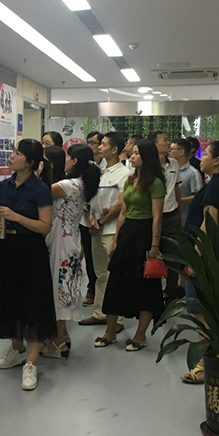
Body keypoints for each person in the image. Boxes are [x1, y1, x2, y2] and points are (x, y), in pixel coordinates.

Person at [0, 139, 56, 391]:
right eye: (13, 152)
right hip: (8, 249)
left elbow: (45, 226)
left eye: (17, 153)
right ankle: (16, 349)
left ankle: (31, 361)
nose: (11, 156)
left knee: (32, 303)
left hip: (31, 252)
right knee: (10, 299)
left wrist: (16, 216)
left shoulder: (40, 189)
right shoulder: (4, 186)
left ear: (29, 162)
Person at [180, 140, 219, 385]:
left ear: (217, 161)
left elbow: (210, 223)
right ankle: (209, 361)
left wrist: (196, 256)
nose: (202, 158)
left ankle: (205, 364)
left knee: (202, 312)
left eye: (206, 154)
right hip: (214, 258)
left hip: (208, 259)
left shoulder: (218, 186)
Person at [94, 139, 165, 351]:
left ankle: (140, 336)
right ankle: (110, 332)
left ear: (147, 157)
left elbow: (157, 217)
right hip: (127, 233)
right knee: (116, 282)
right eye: (132, 153)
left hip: (144, 234)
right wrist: (116, 239)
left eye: (137, 153)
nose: (132, 157)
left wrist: (154, 246)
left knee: (145, 286)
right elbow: (123, 213)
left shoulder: (155, 183)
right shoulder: (130, 180)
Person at [42, 144, 100, 358]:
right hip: (71, 239)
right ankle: (63, 335)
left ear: (74, 161)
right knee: (64, 288)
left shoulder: (68, 185)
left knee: (58, 290)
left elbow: (40, 191)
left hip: (61, 241)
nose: (65, 161)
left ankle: (58, 342)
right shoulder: (82, 184)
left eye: (68, 157)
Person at [80, 132, 129, 332]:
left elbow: (120, 204)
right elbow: (91, 199)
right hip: (96, 229)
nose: (99, 147)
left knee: (114, 276)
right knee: (100, 274)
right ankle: (100, 313)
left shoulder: (124, 173)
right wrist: (92, 218)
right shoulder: (99, 172)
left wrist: (101, 221)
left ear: (114, 149)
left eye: (103, 144)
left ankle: (117, 319)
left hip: (111, 230)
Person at [149, 131, 183, 303]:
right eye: (165, 140)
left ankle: (170, 293)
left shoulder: (174, 164)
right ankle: (152, 294)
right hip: (151, 216)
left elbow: (176, 189)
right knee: (151, 255)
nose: (169, 143)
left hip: (172, 215)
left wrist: (179, 213)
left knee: (174, 257)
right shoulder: (146, 165)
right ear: (155, 145)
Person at [81, 131, 104, 307]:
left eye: (93, 143)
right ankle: (92, 288)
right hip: (85, 218)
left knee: (101, 258)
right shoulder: (84, 166)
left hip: (103, 218)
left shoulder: (106, 166)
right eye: (88, 142)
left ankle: (102, 292)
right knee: (89, 255)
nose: (90, 146)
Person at [170, 139, 203, 227]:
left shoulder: (193, 173)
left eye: (172, 149)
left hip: (185, 219)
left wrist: (178, 200)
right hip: (171, 220)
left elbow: (197, 197)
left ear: (181, 152)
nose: (169, 152)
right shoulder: (170, 170)